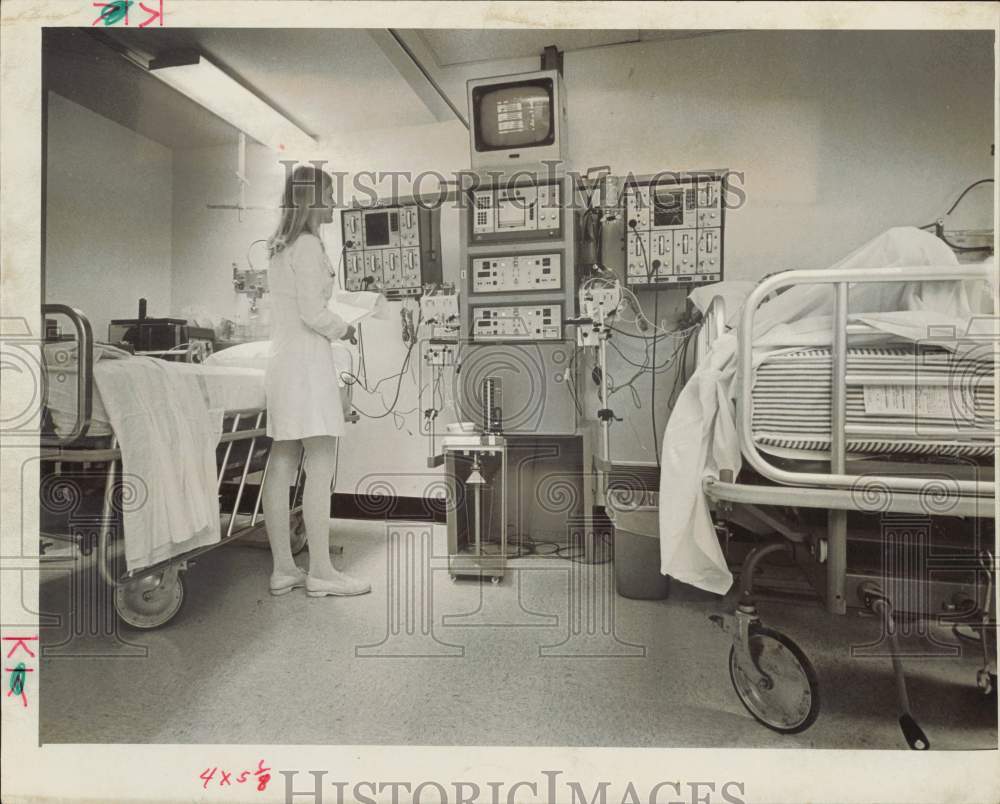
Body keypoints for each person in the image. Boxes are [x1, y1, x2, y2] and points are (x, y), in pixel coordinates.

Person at [261, 164, 370, 598]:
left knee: (282, 462)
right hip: (306, 365)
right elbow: (312, 313)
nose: (332, 203)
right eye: (327, 195)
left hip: (284, 364)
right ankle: (322, 572)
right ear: (311, 199)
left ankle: (284, 569)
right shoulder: (306, 245)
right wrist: (344, 327)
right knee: (320, 464)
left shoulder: (280, 245)